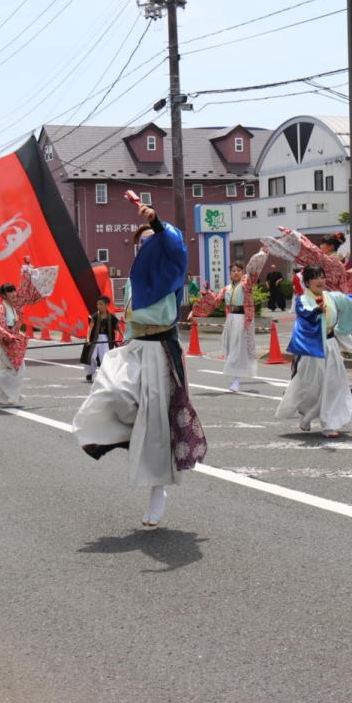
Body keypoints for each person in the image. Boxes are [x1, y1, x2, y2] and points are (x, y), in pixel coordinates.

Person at [73, 192, 207, 529]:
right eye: (141, 242)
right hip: (134, 349)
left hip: (161, 353)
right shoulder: (135, 281)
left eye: (152, 240)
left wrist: (157, 223)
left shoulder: (169, 274)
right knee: (111, 391)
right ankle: (123, 434)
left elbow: (175, 247)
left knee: (158, 427)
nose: (146, 244)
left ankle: (157, 492)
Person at [276, 265, 352, 438]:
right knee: (311, 387)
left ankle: (329, 423)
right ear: (307, 282)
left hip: (331, 345)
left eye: (322, 276)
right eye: (315, 277)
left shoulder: (332, 297)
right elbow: (304, 313)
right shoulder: (303, 300)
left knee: (334, 384)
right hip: (312, 349)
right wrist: (316, 311)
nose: (320, 280)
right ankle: (307, 415)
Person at [191, 255, 265, 392]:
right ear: (230, 274)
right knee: (232, 348)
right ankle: (235, 378)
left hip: (243, 319)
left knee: (237, 350)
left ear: (243, 273)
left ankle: (236, 380)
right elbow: (215, 301)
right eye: (233, 271)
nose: (235, 273)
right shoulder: (226, 288)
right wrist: (205, 295)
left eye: (238, 270)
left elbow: (254, 272)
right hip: (230, 319)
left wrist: (261, 254)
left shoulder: (246, 285)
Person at [0, 258, 55, 409]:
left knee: (16, 369)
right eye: (10, 294)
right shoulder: (1, 309)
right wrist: (9, 336)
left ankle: (5, 400)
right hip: (5, 344)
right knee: (17, 369)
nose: (14, 296)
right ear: (3, 296)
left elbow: (25, 290)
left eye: (14, 293)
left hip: (14, 344)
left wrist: (27, 270)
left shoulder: (16, 305)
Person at [82, 296, 119, 381]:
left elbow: (117, 327)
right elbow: (90, 327)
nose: (98, 306)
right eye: (97, 304)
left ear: (106, 305)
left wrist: (122, 336)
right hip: (94, 339)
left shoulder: (111, 317)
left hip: (105, 339)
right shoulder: (95, 316)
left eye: (101, 304)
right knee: (91, 357)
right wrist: (87, 338)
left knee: (105, 357)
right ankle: (89, 373)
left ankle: (105, 375)